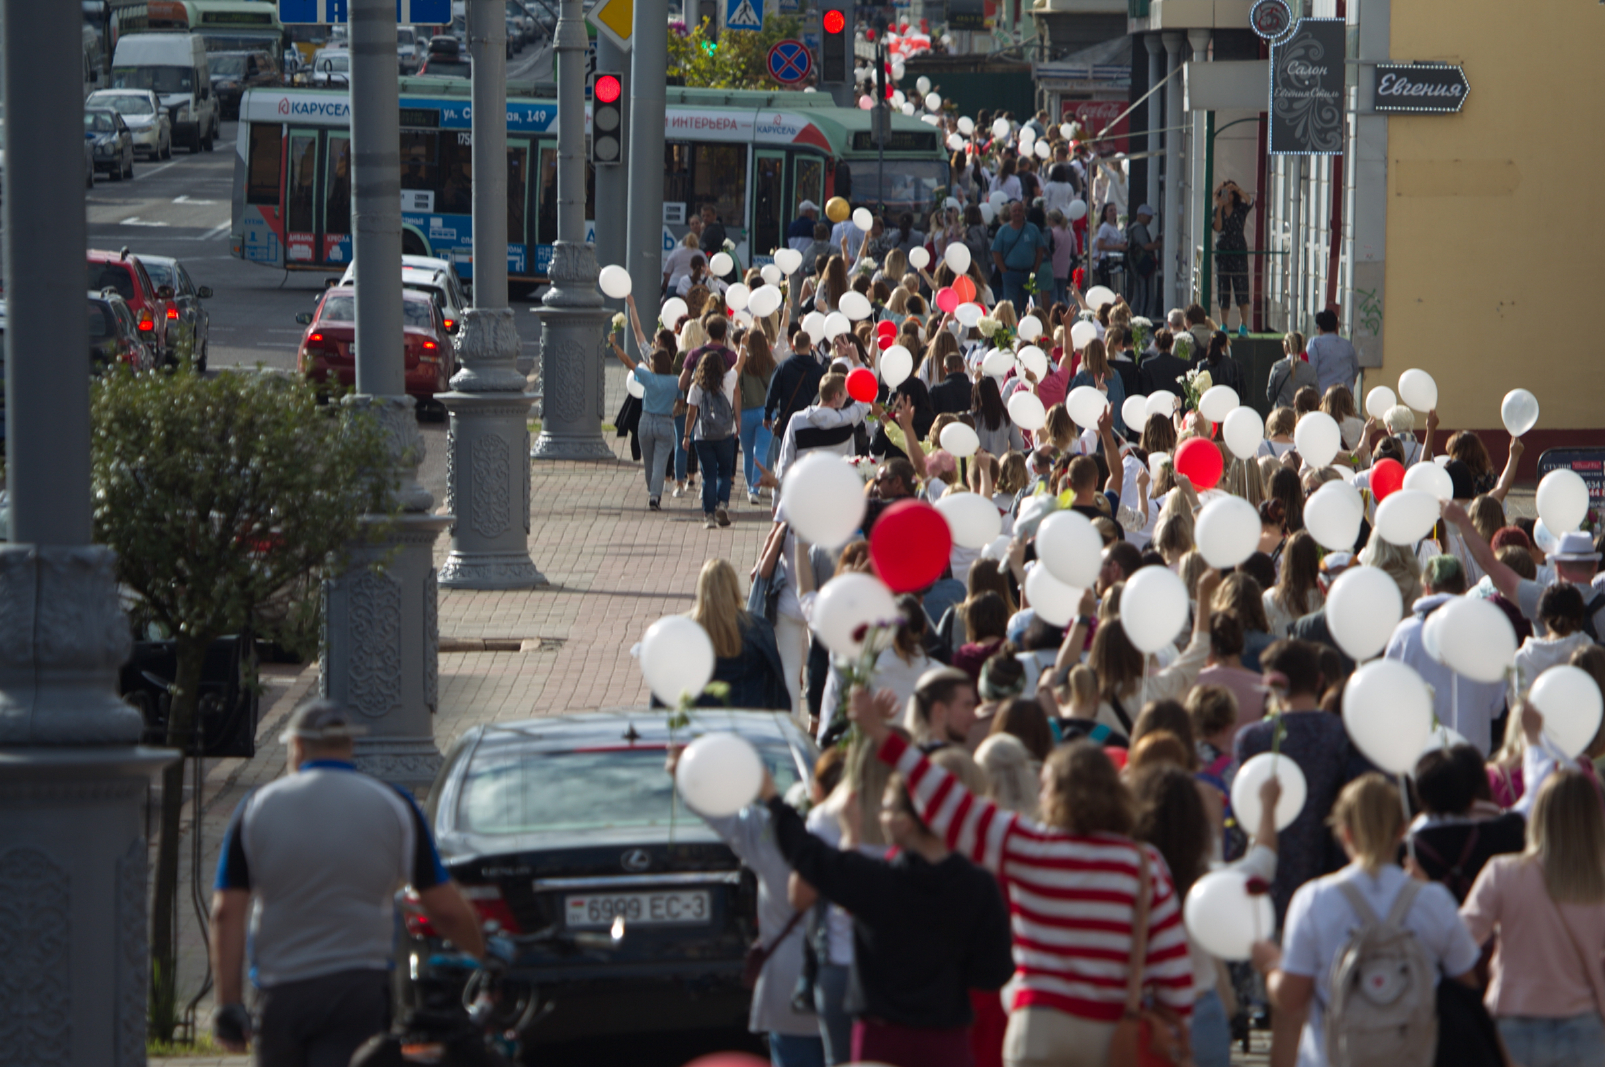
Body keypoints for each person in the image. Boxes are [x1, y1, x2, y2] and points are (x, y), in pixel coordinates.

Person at [847, 689, 1197, 1067]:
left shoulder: (1030, 846)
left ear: (1053, 794)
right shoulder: (1143, 864)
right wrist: (1176, 1028)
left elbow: (951, 802)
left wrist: (882, 736)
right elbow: (1172, 967)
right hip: (1109, 1034)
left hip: (1036, 1029)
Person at [210, 700, 483, 1062]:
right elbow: (445, 910)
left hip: (282, 993)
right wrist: (487, 960)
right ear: (350, 746)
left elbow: (226, 914)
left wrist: (229, 1005)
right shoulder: (394, 805)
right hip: (361, 992)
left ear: (298, 747)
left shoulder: (256, 807)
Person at [764, 723, 1015, 1067]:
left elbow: (810, 857)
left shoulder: (878, 880)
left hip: (882, 1041)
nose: (881, 814)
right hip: (947, 1038)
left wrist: (774, 802)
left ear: (907, 821)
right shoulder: (977, 884)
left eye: (888, 807)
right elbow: (995, 971)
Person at [1250, 774, 1481, 1067]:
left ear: (1345, 832)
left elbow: (1291, 998)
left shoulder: (1314, 899)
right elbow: (1468, 987)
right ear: (1402, 829)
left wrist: (1271, 964)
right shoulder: (1433, 899)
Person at [1462, 756, 1605, 1067]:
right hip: (1586, 1024)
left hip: (1513, 1021)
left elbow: (1460, 943)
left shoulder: (1503, 872)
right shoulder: (1599, 879)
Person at [1234, 639, 1358, 921]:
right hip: (1331, 880)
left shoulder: (1252, 739)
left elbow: (1243, 817)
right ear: (1319, 681)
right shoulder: (1340, 733)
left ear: (1272, 685)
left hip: (1271, 882)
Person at [1383, 555, 1510, 755]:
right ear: (1463, 588)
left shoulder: (1406, 634)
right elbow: (1497, 704)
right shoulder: (1485, 632)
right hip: (1473, 756)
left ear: (1426, 588)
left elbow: (1389, 697)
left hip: (1422, 756)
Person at [1407, 745, 1526, 903]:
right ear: (1472, 794)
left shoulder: (1406, 853)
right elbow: (1529, 806)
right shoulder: (1501, 835)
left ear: (1420, 796)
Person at [693, 558, 789, 710]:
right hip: (748, 719)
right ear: (734, 588)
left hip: (701, 720)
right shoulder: (758, 628)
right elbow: (775, 682)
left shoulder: (687, 631)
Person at [684, 342, 748, 528]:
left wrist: (686, 436)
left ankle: (709, 515)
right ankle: (722, 504)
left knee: (708, 475)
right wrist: (743, 343)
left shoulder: (696, 387)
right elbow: (740, 362)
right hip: (726, 434)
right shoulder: (728, 380)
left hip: (703, 437)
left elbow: (690, 414)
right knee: (724, 472)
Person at [775, 371, 869, 482]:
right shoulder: (847, 420)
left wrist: (778, 495)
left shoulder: (797, 420)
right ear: (836, 395)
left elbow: (786, 461)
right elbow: (865, 400)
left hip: (804, 483)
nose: (848, 396)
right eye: (845, 393)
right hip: (835, 486)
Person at [739, 329, 779, 505]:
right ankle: (757, 487)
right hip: (767, 412)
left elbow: (737, 390)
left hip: (746, 411)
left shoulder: (744, 364)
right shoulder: (771, 364)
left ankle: (751, 489)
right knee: (762, 450)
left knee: (748, 453)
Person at [1211, 181, 1252, 334]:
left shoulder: (1241, 209)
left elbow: (1250, 201)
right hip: (1223, 253)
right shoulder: (1216, 210)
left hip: (1239, 252)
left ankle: (1244, 325)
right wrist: (1221, 207)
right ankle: (1224, 325)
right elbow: (1218, 228)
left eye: (1230, 193)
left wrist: (1237, 189)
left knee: (1241, 287)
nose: (1227, 196)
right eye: (1224, 193)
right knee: (1223, 287)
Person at [991, 201, 1047, 310]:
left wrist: (1035, 271)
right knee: (1011, 306)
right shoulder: (1003, 230)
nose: (1017, 213)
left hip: (1028, 273)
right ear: (1010, 213)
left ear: (1023, 213)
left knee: (1030, 306)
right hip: (1010, 274)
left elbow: (1040, 250)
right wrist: (1004, 271)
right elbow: (996, 252)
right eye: (1014, 211)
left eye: (1019, 210)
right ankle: (1013, 327)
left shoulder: (1032, 229)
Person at [1304, 309, 1357, 397]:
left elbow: (1310, 370)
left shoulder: (1315, 343)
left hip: (1323, 397)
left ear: (1319, 328)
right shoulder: (1347, 344)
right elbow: (1355, 369)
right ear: (1336, 326)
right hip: (1345, 397)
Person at [1126, 204, 1160, 317]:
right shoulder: (1138, 228)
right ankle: (1142, 319)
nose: (1150, 219)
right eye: (1148, 216)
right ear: (1140, 216)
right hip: (1143, 268)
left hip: (1137, 267)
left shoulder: (1134, 228)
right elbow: (1145, 246)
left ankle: (1133, 316)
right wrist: (1158, 245)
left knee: (1138, 295)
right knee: (1145, 295)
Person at [1266, 331, 1315, 408]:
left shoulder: (1277, 367)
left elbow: (1270, 396)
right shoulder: (1309, 369)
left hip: (1281, 413)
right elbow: (1316, 394)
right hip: (1302, 414)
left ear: (1286, 346)